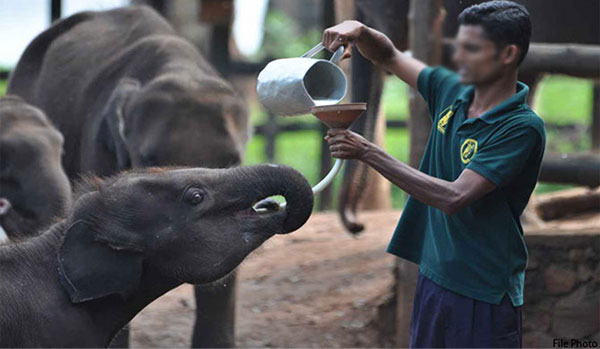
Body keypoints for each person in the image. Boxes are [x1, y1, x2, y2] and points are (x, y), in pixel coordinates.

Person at [322, 1, 545, 347]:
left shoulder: (520, 128)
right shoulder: (451, 90)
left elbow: (454, 197)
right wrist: (360, 31)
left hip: (482, 290)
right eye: (459, 46)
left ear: (507, 54)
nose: (459, 57)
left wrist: (367, 152)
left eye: (472, 49)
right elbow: (389, 56)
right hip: (434, 277)